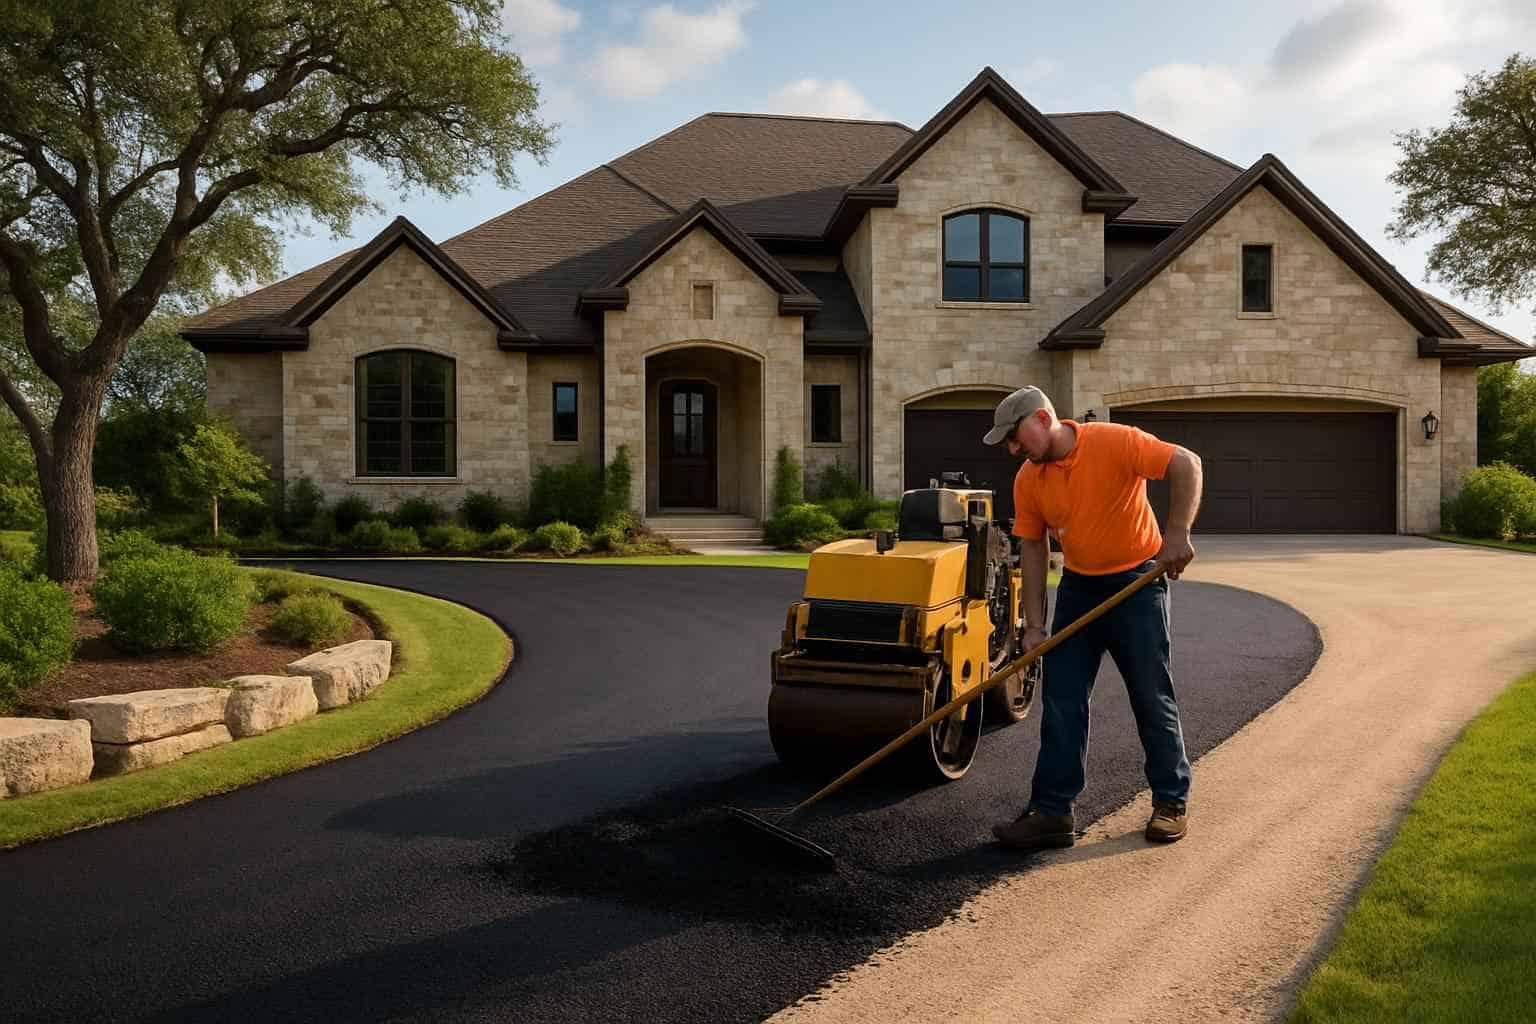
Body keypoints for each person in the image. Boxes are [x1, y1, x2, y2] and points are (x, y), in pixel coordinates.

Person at [980, 385, 1203, 848]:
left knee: (1150, 694)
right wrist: (1036, 626)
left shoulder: (1114, 441)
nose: (1013, 448)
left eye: (1016, 436)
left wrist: (1177, 532)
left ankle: (1170, 801)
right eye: (1008, 442)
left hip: (1137, 585)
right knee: (1062, 698)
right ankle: (1053, 811)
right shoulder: (1029, 479)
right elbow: (1034, 546)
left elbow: (1186, 462)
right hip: (1080, 589)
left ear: (1043, 420)